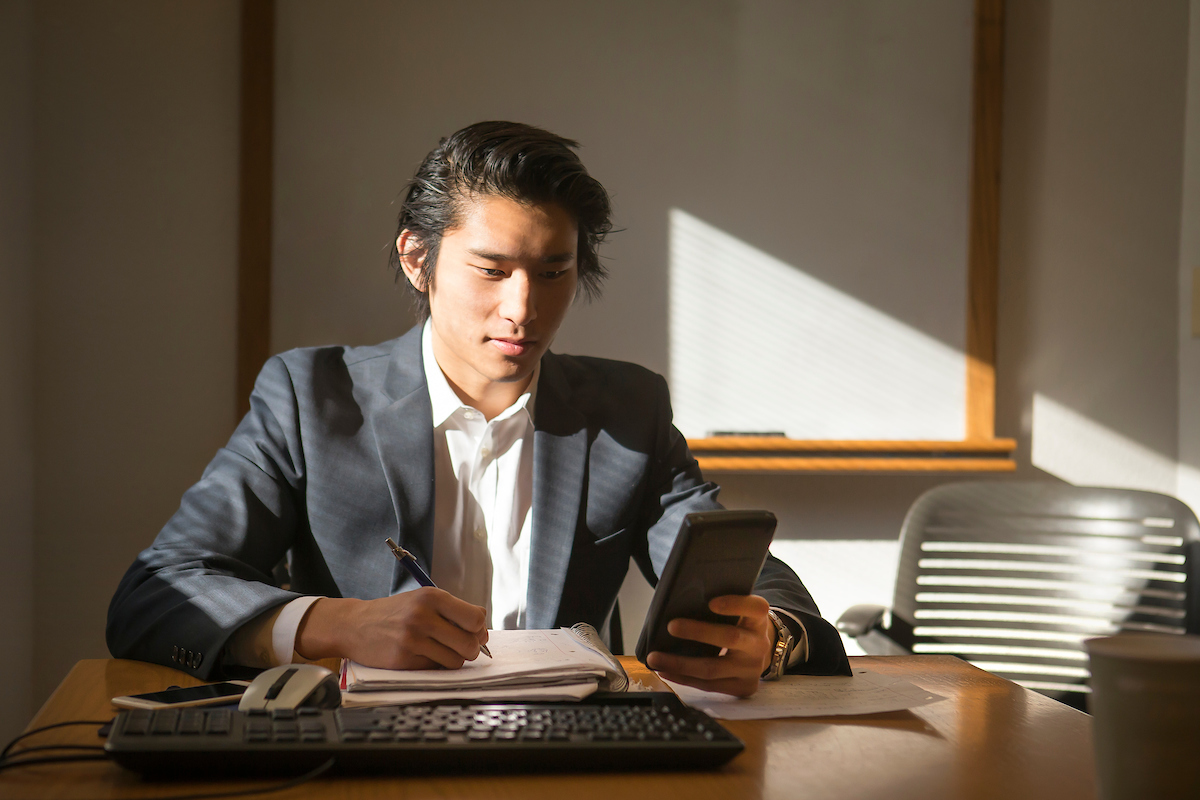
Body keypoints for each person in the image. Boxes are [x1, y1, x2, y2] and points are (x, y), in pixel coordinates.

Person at [107, 121, 850, 697]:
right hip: (360, 764)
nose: (522, 309)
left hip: (574, 764)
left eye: (553, 272)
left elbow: (753, 580)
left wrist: (774, 638)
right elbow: (154, 594)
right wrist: (336, 624)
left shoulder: (626, 410)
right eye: (491, 271)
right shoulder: (313, 399)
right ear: (416, 258)